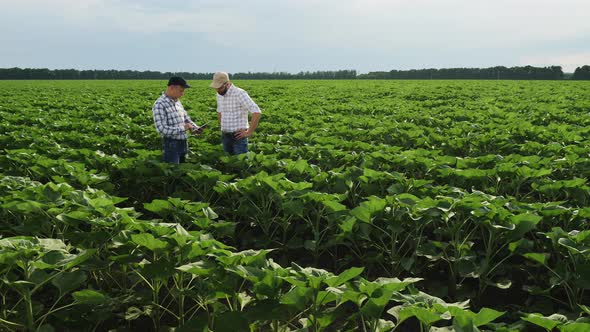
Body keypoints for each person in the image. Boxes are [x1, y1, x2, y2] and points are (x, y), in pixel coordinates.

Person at [152, 76, 204, 163]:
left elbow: (186, 119)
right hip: (171, 144)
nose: (182, 93)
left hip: (183, 143)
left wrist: (195, 127)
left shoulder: (177, 102)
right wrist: (184, 128)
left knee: (182, 170)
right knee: (174, 171)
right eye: (181, 90)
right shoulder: (159, 104)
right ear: (172, 88)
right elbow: (161, 129)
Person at [209, 72, 261, 155]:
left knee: (240, 164)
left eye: (220, 87)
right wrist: (223, 126)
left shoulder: (239, 93)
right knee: (228, 164)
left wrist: (249, 132)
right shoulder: (219, 94)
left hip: (238, 136)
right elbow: (219, 111)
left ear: (227, 84)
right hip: (225, 135)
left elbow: (256, 112)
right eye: (216, 88)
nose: (217, 90)